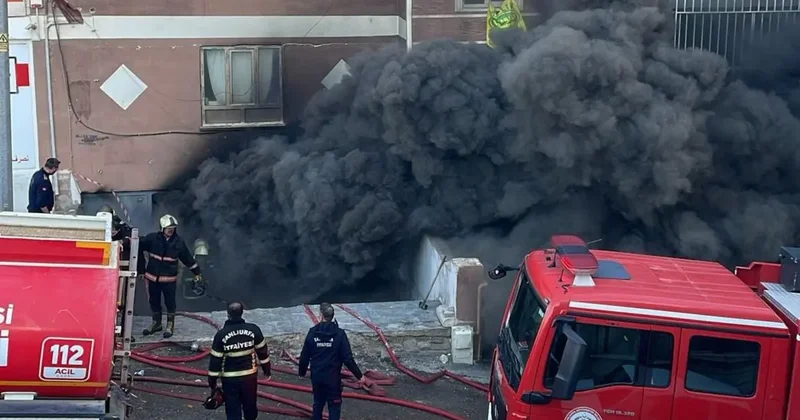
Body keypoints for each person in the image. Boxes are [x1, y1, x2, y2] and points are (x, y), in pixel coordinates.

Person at [298, 303, 367, 420]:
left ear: (320, 315)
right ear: (333, 316)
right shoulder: (339, 334)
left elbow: (304, 356)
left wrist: (301, 372)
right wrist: (359, 376)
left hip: (317, 377)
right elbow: (348, 359)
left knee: (318, 404)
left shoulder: (312, 332)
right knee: (334, 407)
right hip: (333, 379)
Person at [139, 214, 203, 338]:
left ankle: (170, 325)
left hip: (169, 280)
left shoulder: (179, 242)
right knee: (154, 301)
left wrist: (197, 273)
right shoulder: (152, 239)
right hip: (152, 278)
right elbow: (138, 246)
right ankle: (156, 323)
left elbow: (187, 259)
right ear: (162, 228)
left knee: (170, 302)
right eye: (169, 228)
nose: (171, 230)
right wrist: (141, 269)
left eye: (173, 228)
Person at [207, 302, 271, 420]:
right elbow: (263, 353)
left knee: (232, 408)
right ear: (242, 313)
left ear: (228, 314)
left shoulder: (221, 335)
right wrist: (267, 370)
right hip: (249, 377)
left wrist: (212, 382)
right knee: (250, 404)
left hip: (229, 379)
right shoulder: (253, 330)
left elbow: (215, 361)